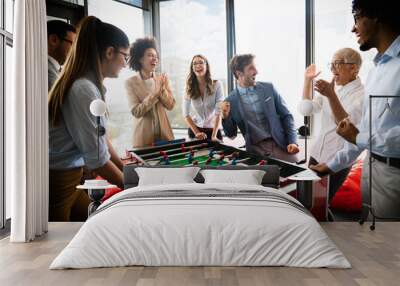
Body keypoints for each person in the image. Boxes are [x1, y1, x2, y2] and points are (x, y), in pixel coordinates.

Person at [310, 0, 400, 218]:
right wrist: (330, 165)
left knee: (389, 246)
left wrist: (358, 137)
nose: (353, 27)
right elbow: (363, 132)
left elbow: (358, 134)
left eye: (357, 17)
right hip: (371, 169)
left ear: (376, 15)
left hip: (394, 175)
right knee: (372, 235)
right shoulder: (378, 70)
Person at [48, 16, 129, 221]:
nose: (125, 64)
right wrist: (132, 188)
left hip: (70, 176)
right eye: (125, 56)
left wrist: (128, 171)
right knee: (58, 249)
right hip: (61, 180)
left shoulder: (87, 85)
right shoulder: (85, 90)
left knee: (92, 224)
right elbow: (98, 159)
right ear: (109, 52)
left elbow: (100, 139)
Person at [300, 48, 364, 201]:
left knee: (323, 201)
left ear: (353, 68)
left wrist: (331, 95)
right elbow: (306, 109)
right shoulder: (334, 89)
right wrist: (307, 80)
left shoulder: (362, 95)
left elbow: (345, 126)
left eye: (337, 63)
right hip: (316, 154)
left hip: (336, 160)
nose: (331, 68)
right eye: (331, 63)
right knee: (309, 200)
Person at [221, 54, 299, 162]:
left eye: (255, 67)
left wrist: (293, 141)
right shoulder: (230, 101)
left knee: (296, 175)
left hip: (281, 144)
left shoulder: (269, 88)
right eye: (251, 68)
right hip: (255, 152)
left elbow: (287, 116)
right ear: (239, 73)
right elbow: (231, 134)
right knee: (266, 179)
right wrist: (225, 117)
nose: (256, 71)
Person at [125, 37, 175, 148]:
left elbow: (171, 105)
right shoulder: (130, 83)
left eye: (156, 56)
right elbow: (136, 112)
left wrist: (161, 89)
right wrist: (155, 94)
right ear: (140, 58)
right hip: (143, 139)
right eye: (150, 55)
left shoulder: (162, 79)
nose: (155, 59)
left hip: (165, 137)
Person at [183, 55, 224, 141]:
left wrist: (214, 136)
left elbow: (218, 112)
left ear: (207, 66)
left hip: (214, 131)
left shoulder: (217, 84)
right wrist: (197, 133)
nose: (198, 65)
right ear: (192, 68)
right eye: (195, 64)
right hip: (195, 130)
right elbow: (186, 114)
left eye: (201, 62)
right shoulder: (189, 87)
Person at [47, 20, 76, 91]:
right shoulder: (47, 73)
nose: (75, 50)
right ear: (53, 40)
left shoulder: (57, 70)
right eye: (73, 44)